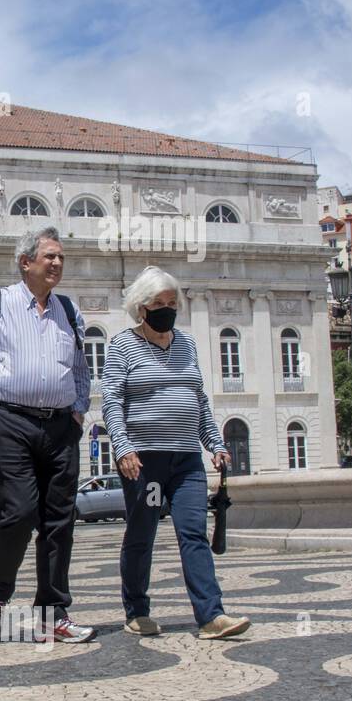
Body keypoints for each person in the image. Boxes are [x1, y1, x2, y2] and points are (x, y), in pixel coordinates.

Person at [0, 226, 96, 643]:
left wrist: (77, 410)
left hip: (59, 425)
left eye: (60, 257)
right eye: (49, 256)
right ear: (25, 262)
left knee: (60, 521)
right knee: (18, 512)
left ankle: (52, 614)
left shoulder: (69, 310)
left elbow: (80, 368)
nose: (57, 263)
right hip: (11, 422)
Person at [103, 266, 250, 640]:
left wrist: (214, 443)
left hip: (186, 460)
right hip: (145, 461)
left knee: (193, 533)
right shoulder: (122, 345)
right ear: (141, 308)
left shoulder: (186, 344)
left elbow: (198, 399)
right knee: (143, 533)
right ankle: (137, 609)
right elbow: (112, 401)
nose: (167, 310)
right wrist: (123, 448)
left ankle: (211, 615)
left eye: (172, 303)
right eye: (159, 303)